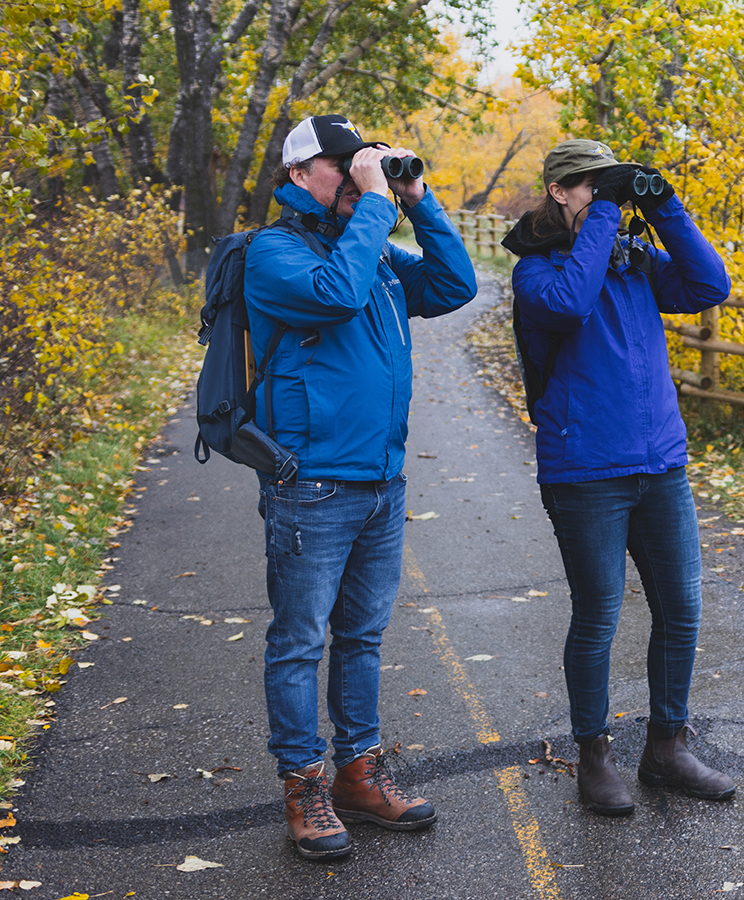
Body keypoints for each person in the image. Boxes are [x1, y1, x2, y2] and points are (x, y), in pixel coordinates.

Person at [245, 114, 477, 859]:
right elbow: (336, 296)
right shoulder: (273, 252)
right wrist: (375, 207)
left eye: (362, 162)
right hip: (310, 485)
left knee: (363, 639)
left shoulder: (372, 248)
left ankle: (357, 774)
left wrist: (414, 197)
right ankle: (303, 785)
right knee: (299, 642)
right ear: (297, 176)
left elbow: (453, 284)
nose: (355, 174)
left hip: (382, 481)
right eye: (340, 164)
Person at [503, 139, 732, 816]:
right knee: (599, 614)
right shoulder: (536, 272)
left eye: (611, 189)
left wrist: (664, 210)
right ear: (558, 191)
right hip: (586, 471)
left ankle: (667, 746)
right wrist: (608, 210)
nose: (603, 199)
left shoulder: (635, 259)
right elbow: (572, 303)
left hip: (660, 461)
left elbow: (708, 285)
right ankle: (595, 755)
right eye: (588, 188)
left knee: (681, 610)